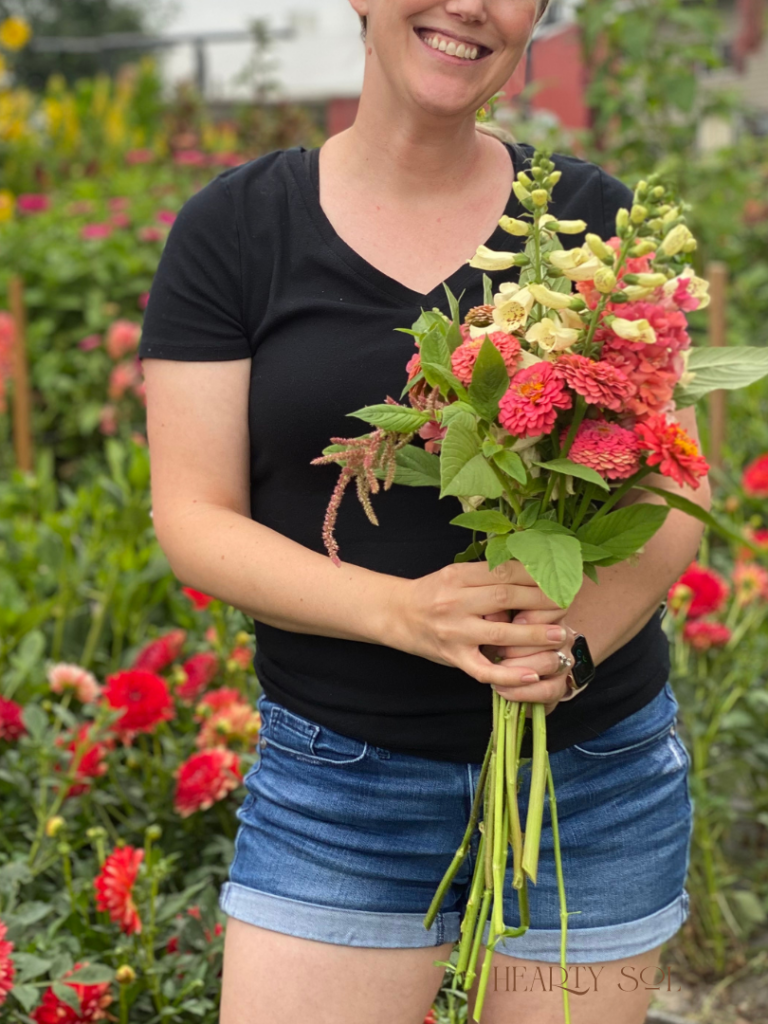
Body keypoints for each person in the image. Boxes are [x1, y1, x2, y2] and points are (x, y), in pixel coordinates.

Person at [140, 2, 707, 1022]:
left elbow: (675, 489)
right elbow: (195, 516)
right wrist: (406, 615)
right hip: (339, 784)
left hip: (592, 780)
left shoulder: (591, 222)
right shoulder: (234, 231)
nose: (466, 6)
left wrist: (569, 647)